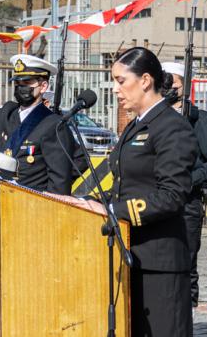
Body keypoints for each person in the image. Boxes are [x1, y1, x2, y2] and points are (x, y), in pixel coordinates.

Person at [75, 47, 196, 336]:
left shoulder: (171, 127)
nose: (116, 89)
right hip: (132, 253)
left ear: (145, 80)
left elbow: (172, 195)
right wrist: (86, 202)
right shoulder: (135, 127)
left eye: (121, 80)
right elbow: (123, 186)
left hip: (160, 262)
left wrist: (113, 211)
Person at [0, 43, 75, 195]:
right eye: (17, 83)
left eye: (27, 83)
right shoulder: (7, 113)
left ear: (43, 86)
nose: (20, 87)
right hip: (0, 197)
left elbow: (60, 181)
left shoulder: (54, 124)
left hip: (32, 203)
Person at [161, 61, 207, 309]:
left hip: (187, 202)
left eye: (173, 83)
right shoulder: (155, 117)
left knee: (186, 261)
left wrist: (189, 181)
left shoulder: (198, 120)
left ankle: (186, 317)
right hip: (159, 201)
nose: (168, 88)